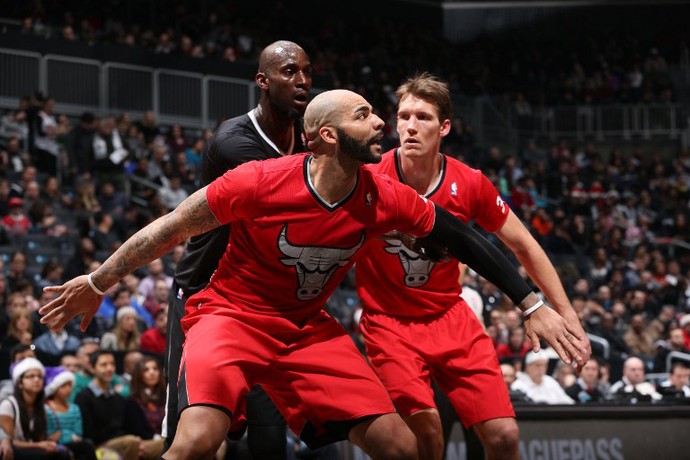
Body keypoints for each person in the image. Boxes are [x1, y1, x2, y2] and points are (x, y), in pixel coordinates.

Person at [40, 89, 585, 459]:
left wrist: (531, 304)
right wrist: (97, 281)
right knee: (198, 440)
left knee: (402, 447)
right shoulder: (257, 180)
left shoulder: (382, 196)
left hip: (306, 328)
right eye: (365, 115)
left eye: (378, 113)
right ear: (325, 137)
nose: (381, 124)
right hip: (231, 317)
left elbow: (463, 236)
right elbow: (169, 228)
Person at [354, 73, 589, 459]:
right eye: (404, 116)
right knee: (426, 435)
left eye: (423, 117)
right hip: (388, 321)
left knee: (504, 437)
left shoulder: (471, 183)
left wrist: (566, 313)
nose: (410, 126)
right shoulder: (366, 176)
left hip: (451, 317)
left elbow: (524, 245)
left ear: (444, 126)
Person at [164, 39, 312, 457]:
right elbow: (295, 200)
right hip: (203, 294)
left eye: (306, 71)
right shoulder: (234, 142)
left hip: (261, 302)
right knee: (190, 433)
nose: (302, 80)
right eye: (289, 72)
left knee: (270, 432)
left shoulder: (306, 141)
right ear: (262, 81)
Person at [73, 351, 155, 460]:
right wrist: (128, 439)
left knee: (164, 443)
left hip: (127, 441)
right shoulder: (83, 397)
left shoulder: (119, 398)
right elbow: (89, 433)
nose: (109, 369)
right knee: (131, 442)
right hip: (99, 446)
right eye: (104, 365)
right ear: (92, 368)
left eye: (112, 364)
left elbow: (128, 427)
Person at [0, 358, 71, 459]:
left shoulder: (41, 406)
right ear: (20, 383)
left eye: (39, 376)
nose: (36, 380)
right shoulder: (8, 405)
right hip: (15, 451)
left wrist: (48, 442)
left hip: (33, 448)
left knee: (71, 449)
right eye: (31, 376)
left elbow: (39, 439)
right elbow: (8, 442)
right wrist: (39, 445)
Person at [44, 367, 98, 460]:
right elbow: (50, 435)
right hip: (54, 446)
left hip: (75, 444)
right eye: (63, 386)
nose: (68, 389)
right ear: (54, 388)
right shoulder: (46, 408)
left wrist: (62, 434)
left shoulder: (74, 408)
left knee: (85, 448)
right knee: (86, 447)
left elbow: (78, 433)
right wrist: (70, 435)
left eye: (70, 385)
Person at [124, 357, 165, 459]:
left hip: (164, 438)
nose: (152, 373)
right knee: (168, 445)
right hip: (144, 442)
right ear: (139, 375)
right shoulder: (132, 400)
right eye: (146, 370)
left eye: (155, 369)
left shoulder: (167, 396)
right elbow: (136, 430)